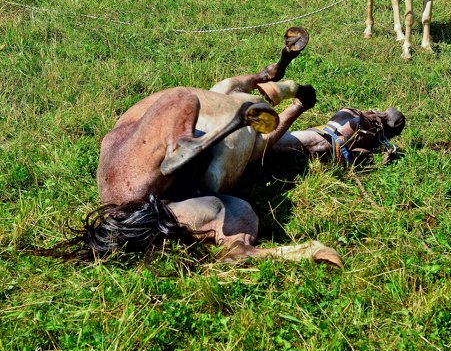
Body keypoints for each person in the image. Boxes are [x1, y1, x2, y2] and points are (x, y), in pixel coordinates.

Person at [62, 28, 404, 267]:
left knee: (241, 213)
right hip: (144, 161)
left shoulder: (250, 112)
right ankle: (183, 145)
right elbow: (247, 90)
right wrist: (288, 86)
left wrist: (297, 105)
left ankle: (242, 250)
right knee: (184, 99)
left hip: (163, 190)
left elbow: (272, 137)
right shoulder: (232, 94)